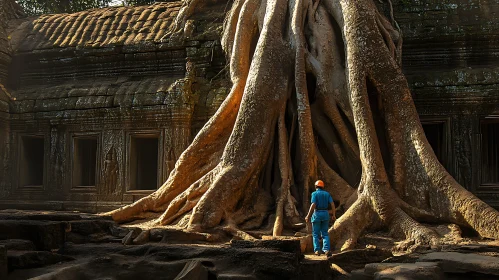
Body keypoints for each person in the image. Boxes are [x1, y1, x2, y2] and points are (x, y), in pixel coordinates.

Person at [305, 180, 336, 256]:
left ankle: (317, 250)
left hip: (317, 214)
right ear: (323, 187)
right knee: (325, 233)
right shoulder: (327, 194)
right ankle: (326, 249)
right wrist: (334, 214)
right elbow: (332, 204)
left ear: (316, 186)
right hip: (325, 214)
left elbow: (313, 205)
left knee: (315, 234)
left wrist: (308, 216)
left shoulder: (314, 194)